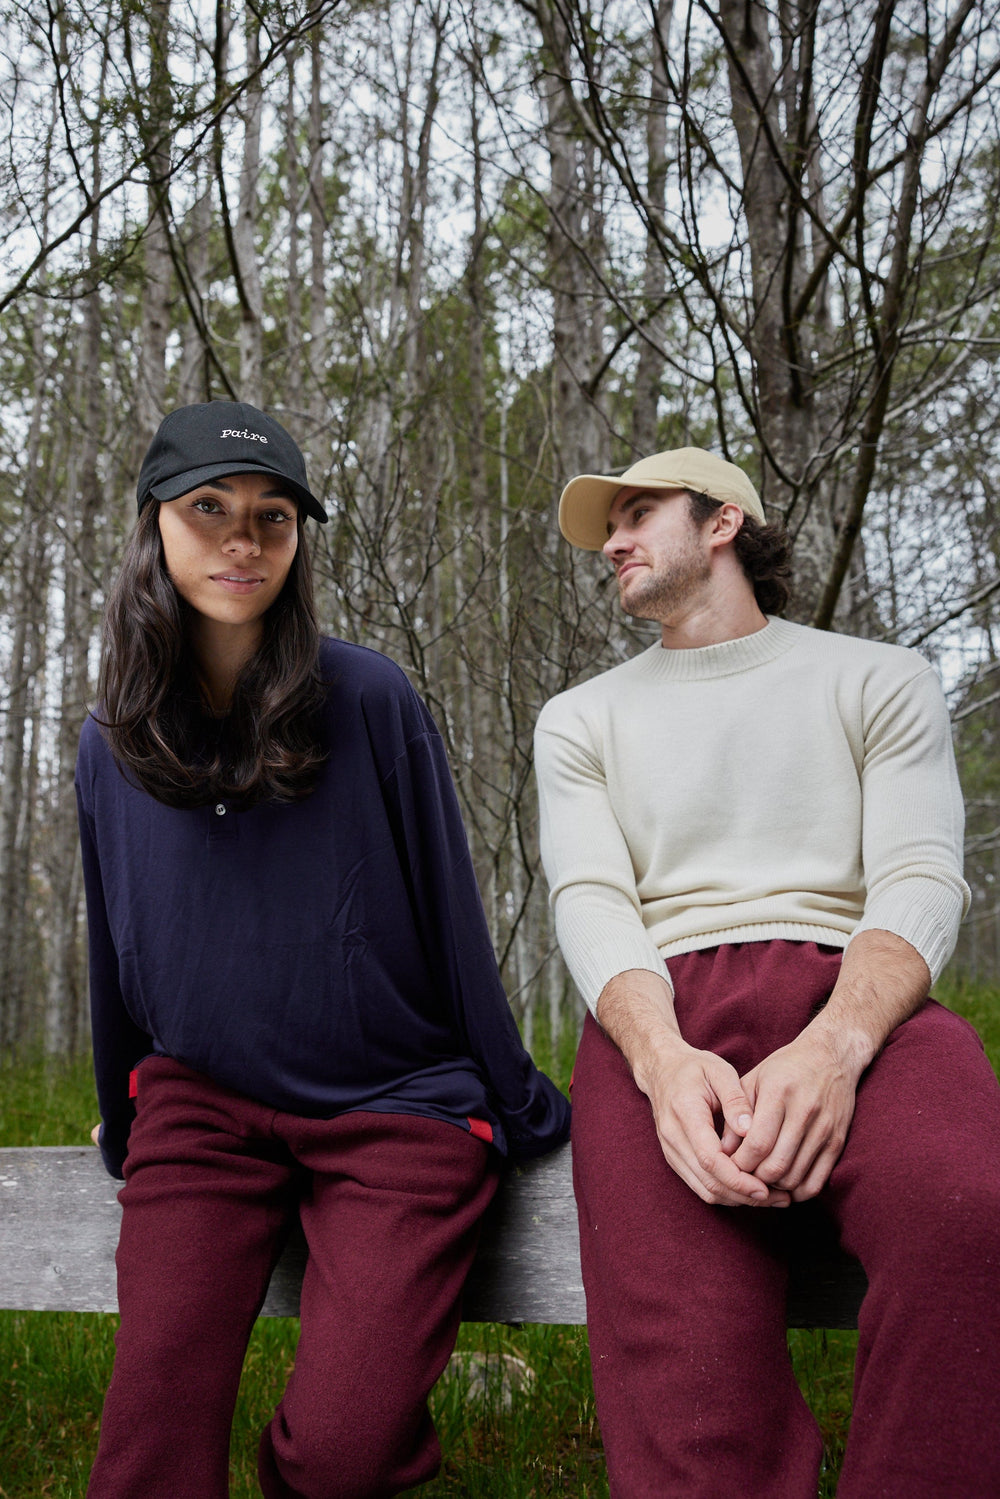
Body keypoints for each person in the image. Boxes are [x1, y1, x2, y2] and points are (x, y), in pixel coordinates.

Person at [77, 400, 570, 1499]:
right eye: (209, 509)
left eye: (273, 516)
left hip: (396, 1105)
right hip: (205, 1110)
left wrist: (514, 1101)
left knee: (344, 1450)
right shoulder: (111, 740)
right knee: (148, 1433)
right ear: (154, 522)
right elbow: (116, 947)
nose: (243, 541)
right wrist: (126, 1114)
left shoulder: (368, 695)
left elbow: (450, 915)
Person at [533, 447, 1000, 1498]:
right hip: (659, 1012)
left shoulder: (878, 677)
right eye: (609, 526)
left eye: (637, 512)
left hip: (862, 996)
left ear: (721, 522)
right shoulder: (580, 718)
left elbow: (921, 877)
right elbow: (591, 900)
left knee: (973, 1215)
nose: (612, 541)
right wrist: (661, 1062)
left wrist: (835, 1047)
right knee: (683, 1361)